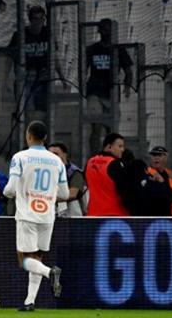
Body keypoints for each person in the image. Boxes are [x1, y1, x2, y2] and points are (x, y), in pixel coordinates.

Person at [3, 121, 65, 311]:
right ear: (45, 138)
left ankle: (50, 272)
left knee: (25, 260)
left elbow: (11, 189)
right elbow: (63, 194)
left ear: (28, 136)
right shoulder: (57, 161)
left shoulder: (20, 157)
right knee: (36, 256)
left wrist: (7, 192)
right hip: (47, 215)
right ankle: (30, 301)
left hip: (27, 214)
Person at [85, 19, 133, 151]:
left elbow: (128, 70)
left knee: (111, 130)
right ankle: (94, 157)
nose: (105, 32)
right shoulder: (92, 49)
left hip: (111, 93)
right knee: (96, 126)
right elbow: (83, 70)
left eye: (108, 29)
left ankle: (109, 159)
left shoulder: (119, 50)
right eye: (103, 29)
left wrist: (127, 87)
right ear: (99, 31)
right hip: (95, 91)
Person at [84, 132, 134, 216]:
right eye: (120, 146)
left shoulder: (89, 162)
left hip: (94, 214)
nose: (122, 149)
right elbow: (125, 191)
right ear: (109, 147)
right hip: (116, 214)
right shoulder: (116, 164)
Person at [47, 142, 87, 216]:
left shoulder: (74, 172)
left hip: (72, 213)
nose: (52, 157)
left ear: (65, 154)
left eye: (56, 154)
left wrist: (48, 198)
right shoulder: (48, 172)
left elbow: (72, 194)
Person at [144, 146, 172, 216]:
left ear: (166, 157)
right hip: (153, 217)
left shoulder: (170, 174)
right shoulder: (147, 173)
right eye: (153, 155)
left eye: (159, 155)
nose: (156, 158)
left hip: (170, 216)